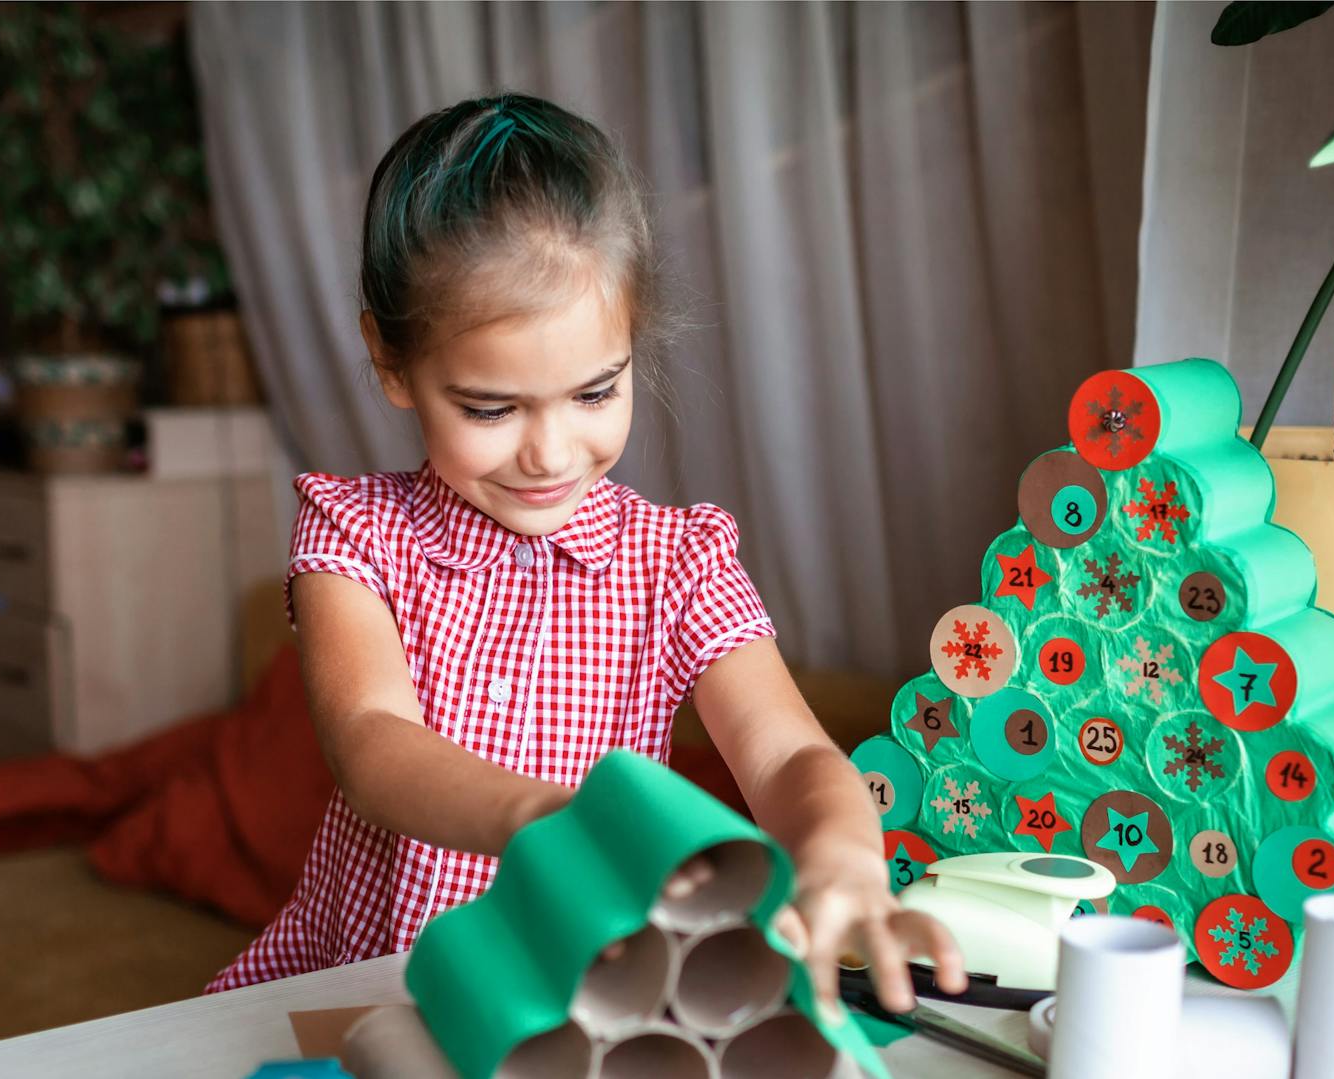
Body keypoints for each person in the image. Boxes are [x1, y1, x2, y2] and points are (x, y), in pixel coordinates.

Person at [206, 91, 965, 1016]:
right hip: (372, 996)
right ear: (391, 361)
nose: (551, 452)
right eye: (491, 408)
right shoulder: (356, 533)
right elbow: (371, 741)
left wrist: (843, 857)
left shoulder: (678, 560)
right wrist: (552, 819)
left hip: (580, 1001)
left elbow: (785, 754)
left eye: (595, 393)